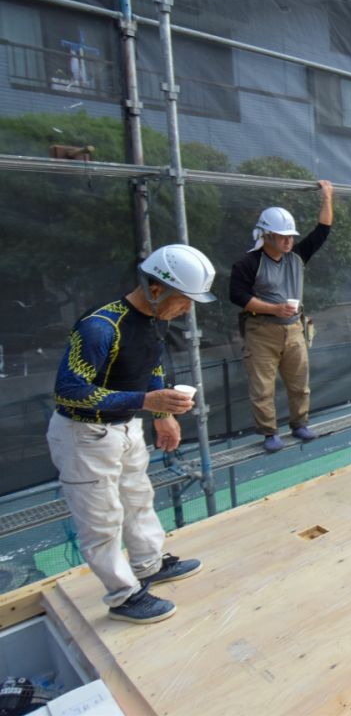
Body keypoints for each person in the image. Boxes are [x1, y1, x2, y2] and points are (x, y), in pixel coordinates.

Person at [48, 244, 215, 624]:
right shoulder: (99, 327)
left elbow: (151, 364)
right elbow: (68, 390)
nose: (187, 309)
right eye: (184, 300)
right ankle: (124, 596)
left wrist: (159, 413)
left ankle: (148, 565)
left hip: (125, 426)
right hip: (83, 434)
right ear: (156, 290)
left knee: (138, 497)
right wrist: (146, 399)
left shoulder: (156, 320)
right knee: (101, 519)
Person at [229, 180, 334, 453]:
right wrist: (273, 309)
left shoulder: (296, 257)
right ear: (265, 236)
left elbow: (323, 231)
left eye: (291, 236)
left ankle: (299, 424)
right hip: (261, 330)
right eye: (282, 236)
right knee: (262, 387)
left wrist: (327, 197)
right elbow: (237, 295)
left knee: (299, 383)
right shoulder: (248, 263)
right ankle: (269, 432)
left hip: (294, 329)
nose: (289, 241)